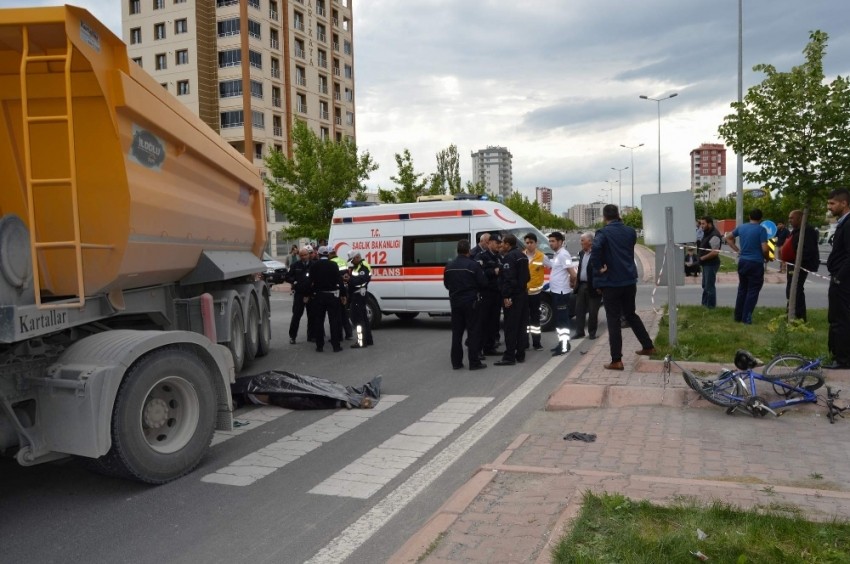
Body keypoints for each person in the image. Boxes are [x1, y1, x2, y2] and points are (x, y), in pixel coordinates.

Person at [591, 204, 656, 371]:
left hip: (612, 282)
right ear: (618, 214)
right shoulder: (630, 231)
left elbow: (596, 249)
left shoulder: (602, 233)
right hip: (629, 279)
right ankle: (648, 345)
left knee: (613, 320)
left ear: (604, 217)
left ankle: (616, 360)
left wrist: (598, 268)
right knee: (631, 314)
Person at [443, 239, 488, 370]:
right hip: (471, 303)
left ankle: (456, 363)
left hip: (455, 302)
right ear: (469, 250)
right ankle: (474, 362)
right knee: (473, 332)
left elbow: (446, 284)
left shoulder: (449, 266)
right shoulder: (473, 265)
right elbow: (483, 283)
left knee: (456, 333)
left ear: (457, 250)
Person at [725, 209, 769, 324]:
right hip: (756, 263)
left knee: (742, 289)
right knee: (753, 291)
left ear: (749, 216)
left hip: (743, 262)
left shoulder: (742, 227)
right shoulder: (761, 230)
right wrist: (767, 257)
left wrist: (737, 250)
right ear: (761, 219)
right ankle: (746, 318)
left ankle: (737, 316)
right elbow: (764, 248)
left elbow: (728, 238)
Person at [494, 234, 529, 366]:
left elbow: (508, 279)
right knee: (521, 326)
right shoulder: (523, 256)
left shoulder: (509, 257)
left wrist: (506, 296)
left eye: (502, 243)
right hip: (522, 295)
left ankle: (509, 356)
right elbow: (527, 277)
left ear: (508, 244)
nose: (501, 245)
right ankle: (520, 354)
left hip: (513, 297)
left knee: (510, 327)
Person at [825, 188, 850, 369]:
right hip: (839, 279)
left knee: (840, 319)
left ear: (844, 203)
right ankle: (837, 355)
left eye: (832, 203)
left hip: (843, 282)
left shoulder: (848, 224)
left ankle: (842, 359)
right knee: (835, 317)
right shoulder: (843, 222)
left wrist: (839, 278)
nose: (829, 207)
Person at [783, 209, 820, 322]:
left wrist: (798, 262)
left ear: (800, 218)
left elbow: (808, 250)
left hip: (799, 265)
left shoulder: (807, 231)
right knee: (791, 289)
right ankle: (791, 313)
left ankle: (798, 316)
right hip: (793, 264)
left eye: (792, 218)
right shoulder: (795, 230)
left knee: (795, 289)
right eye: (789, 218)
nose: (790, 220)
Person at [544, 231, 577, 356]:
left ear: (560, 242)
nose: (550, 243)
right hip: (556, 291)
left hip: (561, 292)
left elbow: (573, 273)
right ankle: (562, 343)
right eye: (550, 241)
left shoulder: (563, 255)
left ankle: (564, 346)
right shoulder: (557, 254)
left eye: (553, 241)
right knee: (559, 320)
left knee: (563, 320)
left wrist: (572, 283)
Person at [308, 246, 346, 352]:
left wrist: (309, 294)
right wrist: (343, 295)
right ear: (328, 254)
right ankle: (336, 345)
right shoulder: (333, 265)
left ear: (319, 255)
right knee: (333, 321)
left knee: (319, 321)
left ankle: (319, 346)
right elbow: (339, 280)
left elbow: (310, 282)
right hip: (332, 296)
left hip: (319, 296)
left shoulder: (314, 266)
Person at [477, 233, 503, 356]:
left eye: (500, 243)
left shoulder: (499, 257)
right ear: (489, 243)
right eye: (497, 243)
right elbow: (479, 273)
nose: (499, 245)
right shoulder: (482, 256)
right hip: (486, 294)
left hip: (496, 294)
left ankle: (490, 347)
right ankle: (479, 349)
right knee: (483, 322)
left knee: (494, 322)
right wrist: (493, 271)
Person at [572, 232, 602, 340]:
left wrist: (600, 286)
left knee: (593, 311)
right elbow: (580, 269)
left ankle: (592, 333)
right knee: (579, 310)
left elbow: (601, 271)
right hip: (582, 286)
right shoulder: (582, 254)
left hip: (594, 286)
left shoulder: (597, 254)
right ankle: (579, 332)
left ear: (590, 241)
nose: (580, 243)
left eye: (582, 240)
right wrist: (576, 282)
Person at [284, 246, 314, 344]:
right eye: (301, 255)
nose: (304, 257)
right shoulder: (295, 265)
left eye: (305, 255)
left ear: (309, 255)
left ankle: (311, 336)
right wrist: (295, 281)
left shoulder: (314, 265)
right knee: (296, 316)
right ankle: (292, 336)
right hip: (299, 294)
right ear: (299, 256)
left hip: (311, 294)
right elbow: (287, 277)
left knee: (312, 316)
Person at [523, 232, 546, 351]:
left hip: (536, 294)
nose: (529, 245)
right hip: (523, 293)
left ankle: (537, 343)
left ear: (536, 243)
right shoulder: (521, 256)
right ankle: (525, 342)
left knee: (535, 319)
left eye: (531, 242)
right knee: (524, 319)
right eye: (527, 243)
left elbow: (554, 267)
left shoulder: (542, 256)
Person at [347, 250, 373, 348]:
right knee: (364, 319)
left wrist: (349, 279)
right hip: (358, 295)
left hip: (358, 295)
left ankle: (361, 342)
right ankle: (368, 340)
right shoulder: (357, 266)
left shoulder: (363, 267)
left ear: (357, 257)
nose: (351, 262)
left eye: (352, 260)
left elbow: (361, 280)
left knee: (357, 320)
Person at [697, 216, 722, 307]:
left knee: (709, 286)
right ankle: (704, 305)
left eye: (703, 223)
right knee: (705, 285)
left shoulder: (714, 235)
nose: (701, 226)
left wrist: (703, 258)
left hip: (711, 264)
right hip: (706, 264)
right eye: (701, 224)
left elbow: (715, 252)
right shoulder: (707, 233)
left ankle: (710, 307)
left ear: (709, 224)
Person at [329, 247, 353, 341]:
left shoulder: (332, 263)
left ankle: (338, 336)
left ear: (330, 254)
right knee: (344, 313)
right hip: (345, 287)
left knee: (336, 314)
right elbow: (347, 274)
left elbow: (335, 277)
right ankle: (349, 333)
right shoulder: (342, 261)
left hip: (337, 289)